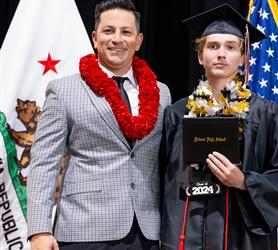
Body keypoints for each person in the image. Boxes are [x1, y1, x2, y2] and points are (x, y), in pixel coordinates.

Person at [160, 4, 278, 250]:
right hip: (185, 235)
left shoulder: (266, 114)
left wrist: (244, 181)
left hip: (242, 239)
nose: (221, 54)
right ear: (200, 56)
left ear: (243, 57)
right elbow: (163, 176)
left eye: (231, 47)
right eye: (212, 46)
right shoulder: (177, 114)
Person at [27, 0, 171, 249]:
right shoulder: (64, 90)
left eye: (126, 32)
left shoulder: (161, 92)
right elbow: (43, 162)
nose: (117, 39)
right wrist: (39, 229)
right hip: (85, 229)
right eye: (108, 31)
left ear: (138, 41)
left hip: (147, 231)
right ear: (95, 38)